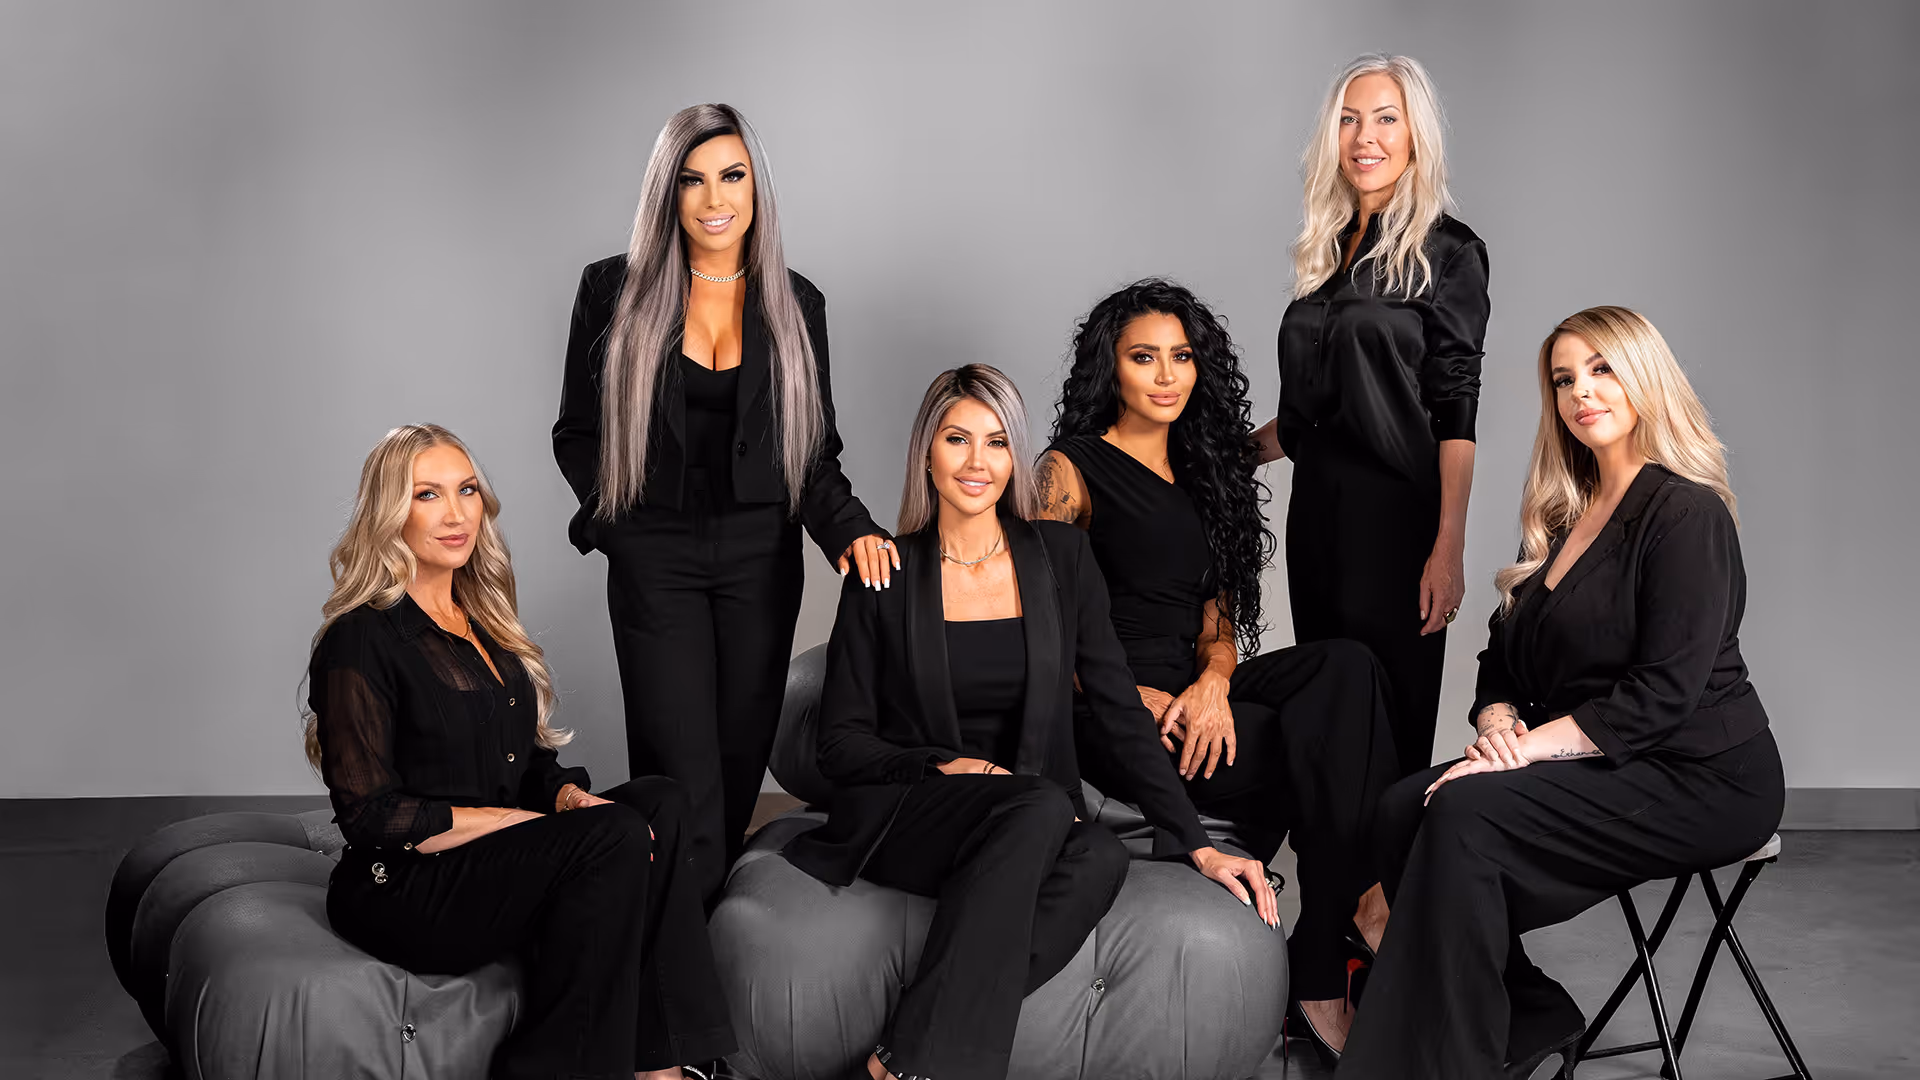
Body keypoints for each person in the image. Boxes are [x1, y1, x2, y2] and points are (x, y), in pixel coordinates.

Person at [784, 365, 1276, 1080]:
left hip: (1030, 824)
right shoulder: (884, 572)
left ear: (1015, 457)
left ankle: (900, 1061)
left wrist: (1197, 846)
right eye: (957, 439)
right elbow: (839, 744)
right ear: (927, 452)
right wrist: (944, 766)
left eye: (996, 443)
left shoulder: (1062, 559)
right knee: (1043, 805)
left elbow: (1117, 706)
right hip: (915, 813)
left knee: (1101, 855)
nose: (977, 462)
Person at [1336, 308, 1785, 1079]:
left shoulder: (1686, 512)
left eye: (1602, 369)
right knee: (1400, 807)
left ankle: (1444, 1063)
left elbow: (1663, 695)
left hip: (1702, 775)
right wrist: (1498, 719)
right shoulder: (1559, 515)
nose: (1581, 392)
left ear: (1644, 376)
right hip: (1603, 757)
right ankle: (1526, 1018)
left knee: (1464, 813)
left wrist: (1518, 755)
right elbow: (1503, 657)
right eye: (1564, 379)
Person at [1034, 279, 1400, 1061]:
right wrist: (1137, 696)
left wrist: (1211, 685)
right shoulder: (1069, 469)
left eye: (1182, 357)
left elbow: (1217, 628)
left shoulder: (1206, 474)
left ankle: (1338, 923)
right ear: (1110, 368)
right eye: (1144, 358)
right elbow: (1040, 628)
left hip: (1193, 698)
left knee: (1347, 668)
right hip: (1112, 713)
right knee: (1320, 743)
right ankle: (1340, 936)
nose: (1166, 375)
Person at [306, 424, 733, 1080]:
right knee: (614, 837)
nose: (456, 514)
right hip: (406, 886)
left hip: (496, 862)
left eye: (467, 490)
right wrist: (518, 823)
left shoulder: (483, 621)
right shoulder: (362, 638)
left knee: (662, 803)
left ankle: (664, 1066)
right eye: (428, 495)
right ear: (390, 513)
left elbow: (524, 764)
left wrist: (568, 798)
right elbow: (371, 817)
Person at [552, 103, 894, 900]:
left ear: (756, 187)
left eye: (732, 176)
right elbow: (577, 433)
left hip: (759, 561)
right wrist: (619, 530)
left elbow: (811, 453)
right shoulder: (611, 290)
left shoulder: (798, 304)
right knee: (681, 773)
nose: (715, 199)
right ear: (667, 193)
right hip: (655, 555)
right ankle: (681, 956)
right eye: (692, 180)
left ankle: (697, 931)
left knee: (738, 771)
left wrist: (853, 532)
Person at [1251, 54, 1490, 778]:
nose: (1365, 137)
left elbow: (1456, 408)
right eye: (1350, 120)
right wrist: (1219, 452)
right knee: (1332, 712)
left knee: (1393, 713)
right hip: (1316, 522)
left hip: (1398, 525)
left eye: (1386, 118)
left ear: (1416, 134)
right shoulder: (1323, 253)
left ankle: (1388, 856)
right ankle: (1331, 854)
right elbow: (1310, 415)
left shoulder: (1451, 252)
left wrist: (1448, 546)